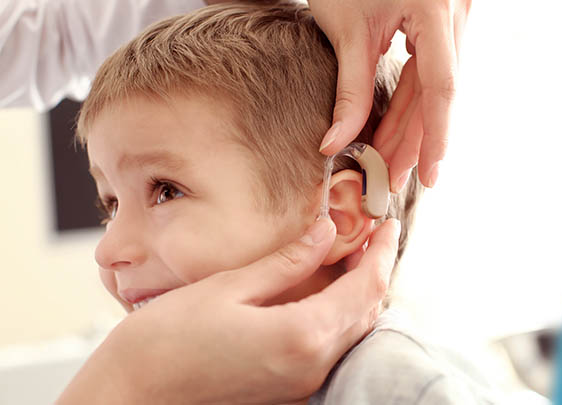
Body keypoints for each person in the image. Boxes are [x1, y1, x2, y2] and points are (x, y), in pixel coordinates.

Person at [2, 0, 471, 402]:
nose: (106, 251)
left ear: (339, 214)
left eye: (166, 191)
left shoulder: (396, 386)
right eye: (111, 204)